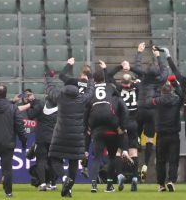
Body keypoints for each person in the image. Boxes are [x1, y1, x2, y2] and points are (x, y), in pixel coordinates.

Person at [45, 66, 92, 198]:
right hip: (77, 136)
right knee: (73, 161)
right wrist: (91, 77)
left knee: (54, 157)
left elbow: (49, 89)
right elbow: (90, 90)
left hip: (60, 133)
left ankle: (64, 178)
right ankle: (69, 189)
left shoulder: (60, 97)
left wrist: (48, 76)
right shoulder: (81, 99)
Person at [131, 43, 168, 180]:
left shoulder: (142, 79)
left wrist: (139, 51)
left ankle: (137, 139)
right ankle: (146, 164)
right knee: (151, 138)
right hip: (153, 111)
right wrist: (158, 55)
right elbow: (165, 69)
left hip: (140, 108)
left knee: (137, 129)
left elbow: (137, 68)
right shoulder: (160, 80)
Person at [84, 69, 124, 192]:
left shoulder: (90, 89)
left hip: (96, 123)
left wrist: (87, 125)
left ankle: (94, 184)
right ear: (104, 78)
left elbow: (86, 105)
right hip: (110, 122)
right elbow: (119, 97)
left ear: (94, 80)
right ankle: (109, 185)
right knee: (112, 157)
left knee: (96, 157)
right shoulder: (110, 86)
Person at [152, 76, 185, 192]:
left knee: (160, 161)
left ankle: (161, 184)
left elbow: (150, 100)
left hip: (161, 135)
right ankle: (171, 180)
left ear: (162, 91)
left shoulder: (157, 101)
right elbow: (182, 95)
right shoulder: (176, 100)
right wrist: (175, 83)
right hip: (174, 134)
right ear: (171, 91)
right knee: (173, 160)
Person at [24, 85, 59, 191]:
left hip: (42, 138)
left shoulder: (41, 104)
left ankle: (43, 184)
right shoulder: (60, 107)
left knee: (41, 161)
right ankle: (53, 184)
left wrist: (28, 104)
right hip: (54, 138)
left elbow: (30, 115)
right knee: (53, 161)